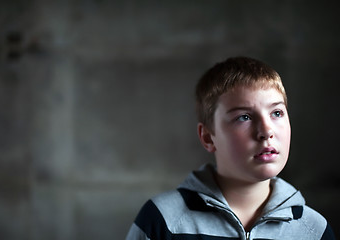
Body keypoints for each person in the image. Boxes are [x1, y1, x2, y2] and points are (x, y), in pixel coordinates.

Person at [125, 57, 336, 240]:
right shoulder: (163, 220)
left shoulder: (313, 230)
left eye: (277, 113)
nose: (266, 131)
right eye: (244, 117)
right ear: (208, 137)